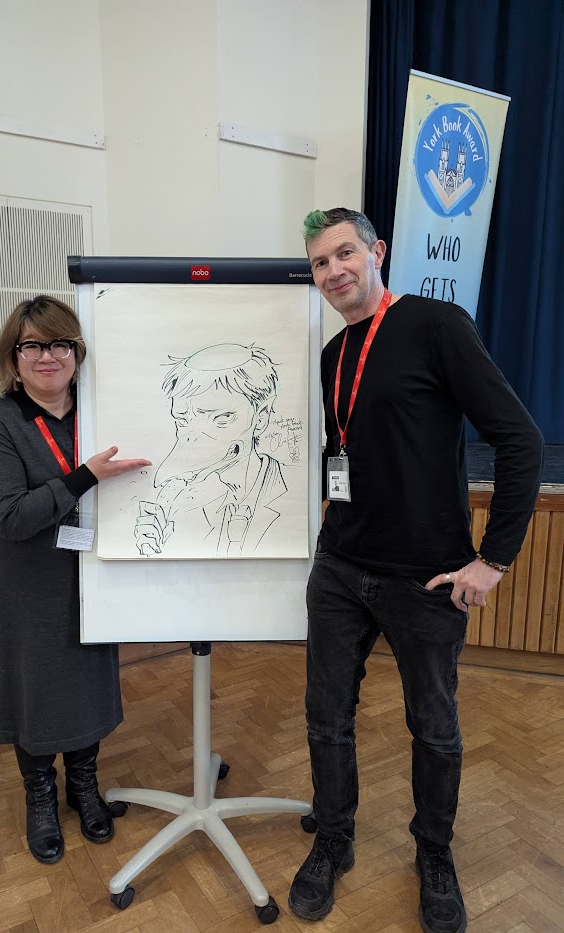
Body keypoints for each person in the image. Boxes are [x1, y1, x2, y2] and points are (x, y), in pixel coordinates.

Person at [288, 209, 544, 932]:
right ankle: (332, 841)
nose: (333, 270)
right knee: (324, 719)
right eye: (318, 262)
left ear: (376, 251)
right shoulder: (333, 352)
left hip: (423, 579)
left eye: (343, 253)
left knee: (432, 727)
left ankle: (433, 853)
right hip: (339, 567)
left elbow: (519, 439)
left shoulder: (436, 324)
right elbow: (348, 450)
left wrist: (492, 558)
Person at [0, 295, 150, 865]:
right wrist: (84, 476)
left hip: (89, 572)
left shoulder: (99, 411)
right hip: (23, 583)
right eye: (32, 346)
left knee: (87, 680)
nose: (47, 356)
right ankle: (40, 796)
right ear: (14, 356)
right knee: (32, 688)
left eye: (59, 344)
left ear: (76, 353)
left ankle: (83, 785)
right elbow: (10, 516)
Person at [134, 343, 287, 557]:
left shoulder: (289, 492)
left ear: (260, 418)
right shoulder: (179, 501)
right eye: (182, 420)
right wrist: (157, 548)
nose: (194, 439)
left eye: (222, 418)